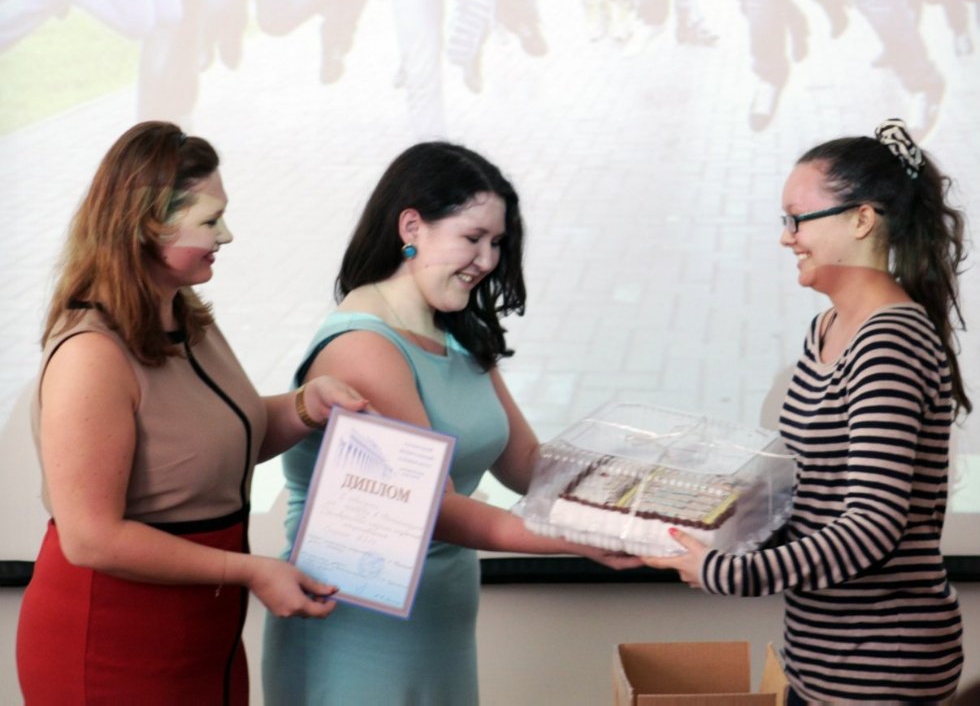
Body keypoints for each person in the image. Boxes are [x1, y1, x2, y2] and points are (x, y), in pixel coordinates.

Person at [262, 141, 640, 705]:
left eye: (497, 243)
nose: (487, 260)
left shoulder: (457, 333)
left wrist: (641, 489)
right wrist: (581, 536)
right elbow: (428, 509)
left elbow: (527, 465)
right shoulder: (362, 347)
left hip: (439, 630)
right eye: (473, 238)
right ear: (412, 227)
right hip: (359, 636)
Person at [15, 121, 368, 704]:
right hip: (113, 642)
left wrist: (308, 405)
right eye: (210, 221)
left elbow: (210, 447)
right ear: (145, 226)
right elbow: (91, 539)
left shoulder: (186, 316)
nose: (226, 235)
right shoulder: (91, 354)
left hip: (204, 635)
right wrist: (250, 571)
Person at [645, 118, 968, 704]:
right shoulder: (825, 328)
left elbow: (872, 525)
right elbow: (814, 495)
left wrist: (731, 573)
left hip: (881, 669)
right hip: (820, 662)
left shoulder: (888, 341)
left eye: (797, 219)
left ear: (861, 220)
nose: (787, 238)